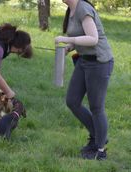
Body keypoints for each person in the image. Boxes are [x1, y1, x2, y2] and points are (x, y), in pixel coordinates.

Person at [55, 0, 114, 160]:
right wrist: (69, 47)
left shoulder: (83, 9)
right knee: (72, 101)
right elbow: (79, 36)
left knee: (96, 107)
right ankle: (97, 135)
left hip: (99, 61)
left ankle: (100, 151)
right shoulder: (71, 10)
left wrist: (67, 40)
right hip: (84, 60)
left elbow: (93, 38)